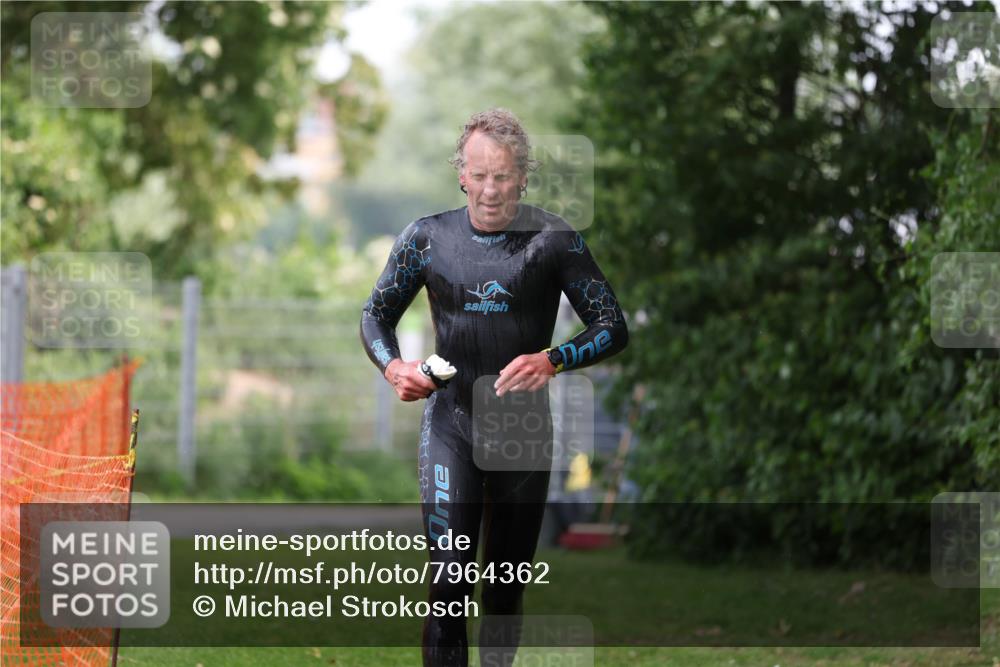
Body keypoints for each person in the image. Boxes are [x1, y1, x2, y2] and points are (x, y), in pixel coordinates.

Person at [359, 108, 628, 667]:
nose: (489, 190)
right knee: (448, 590)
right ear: (461, 173)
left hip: (522, 434)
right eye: (479, 175)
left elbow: (612, 327)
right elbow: (374, 316)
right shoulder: (427, 238)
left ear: (523, 176)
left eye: (502, 176)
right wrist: (394, 369)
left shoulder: (554, 240)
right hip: (451, 427)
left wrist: (553, 360)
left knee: (503, 596)